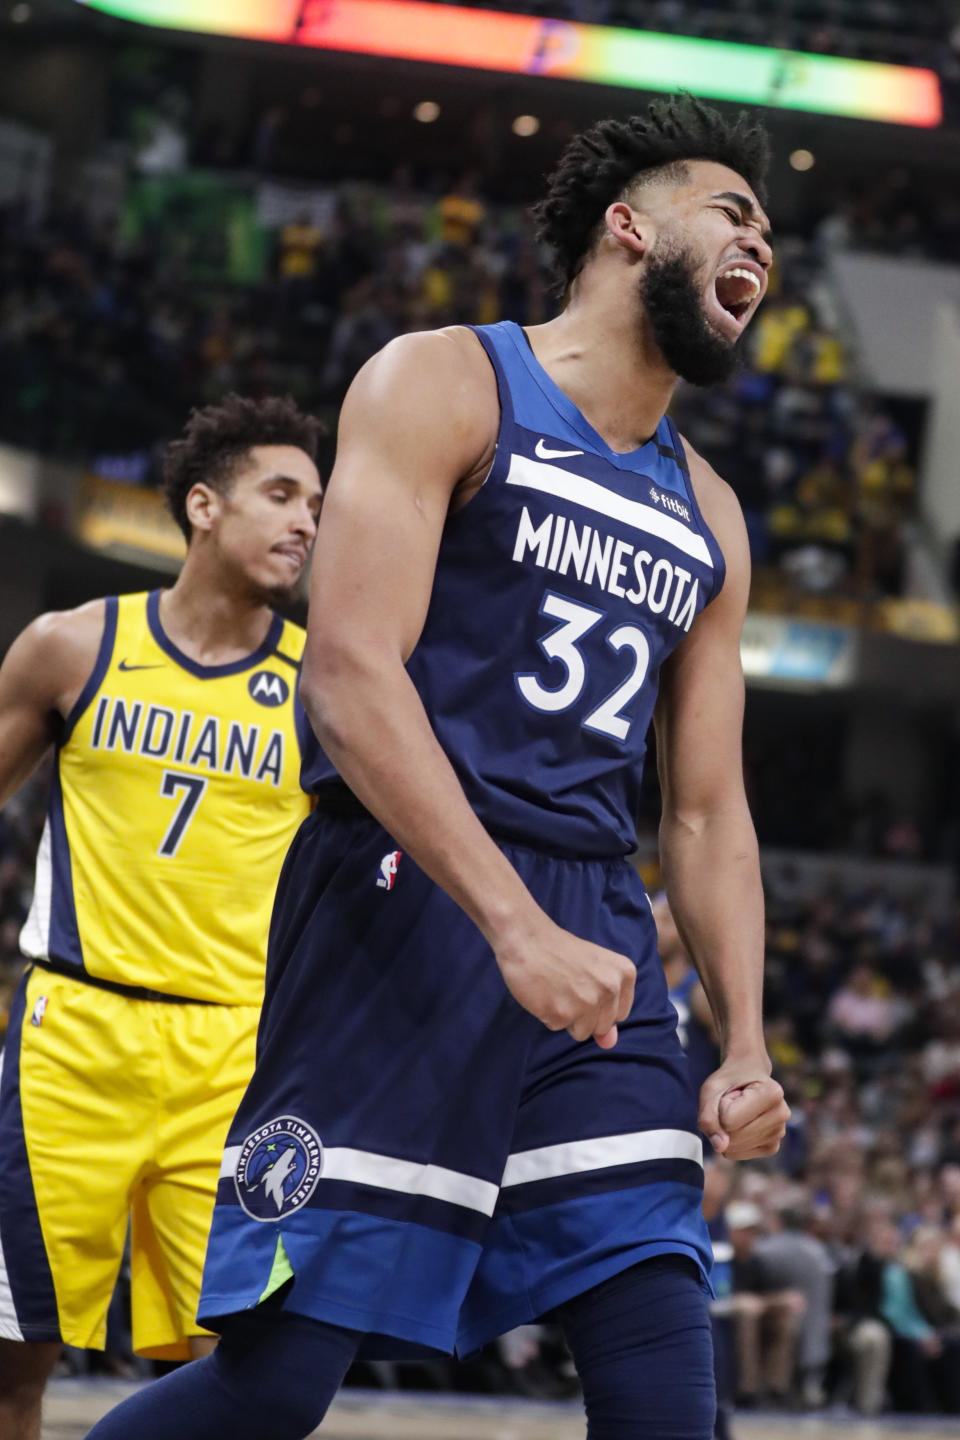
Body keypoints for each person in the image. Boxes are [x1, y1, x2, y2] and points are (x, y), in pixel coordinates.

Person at [88, 94, 789, 1440]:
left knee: (660, 1372)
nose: (763, 237)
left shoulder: (709, 511)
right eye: (733, 208)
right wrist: (507, 925)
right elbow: (351, 676)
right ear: (628, 230)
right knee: (278, 1382)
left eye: (772, 227)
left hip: (593, 928)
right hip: (406, 891)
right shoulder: (448, 381)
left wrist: (747, 1042)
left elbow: (705, 809)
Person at [0, 393, 323, 1440]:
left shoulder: (330, 688)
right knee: (12, 1355)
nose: (305, 521)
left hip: (237, 1054)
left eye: (317, 503)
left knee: (247, 1366)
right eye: (280, 494)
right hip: (71, 1039)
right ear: (203, 506)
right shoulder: (69, 647)